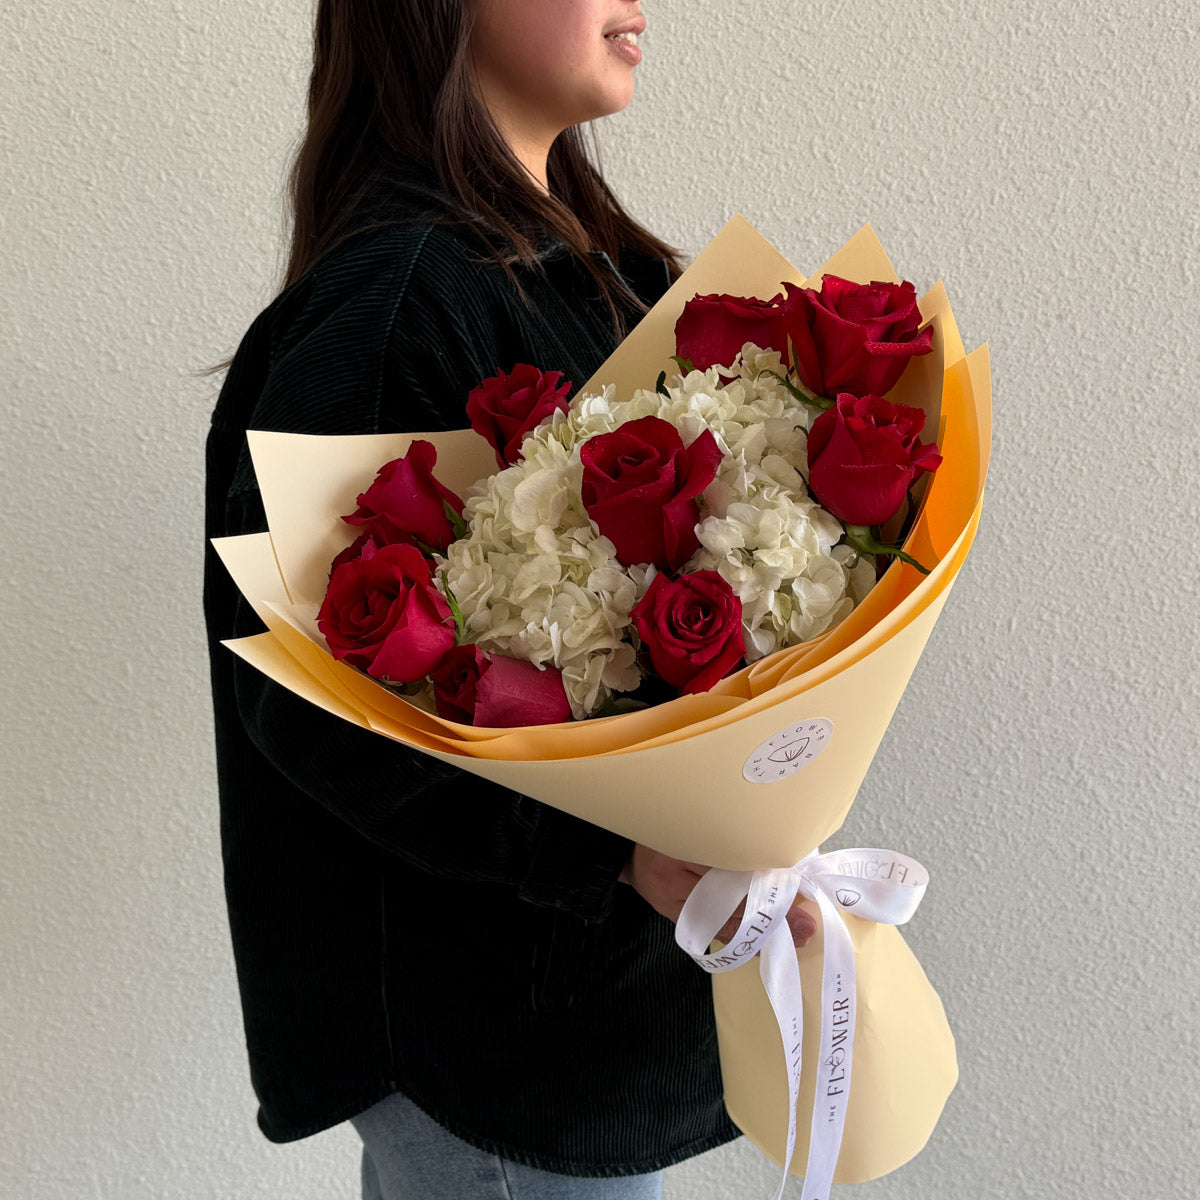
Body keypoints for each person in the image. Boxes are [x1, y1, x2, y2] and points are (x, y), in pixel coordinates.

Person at [203, 3, 815, 1197]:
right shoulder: (393, 306)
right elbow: (315, 705)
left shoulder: (598, 274)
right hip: (489, 1054)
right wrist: (607, 846)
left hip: (567, 1037)